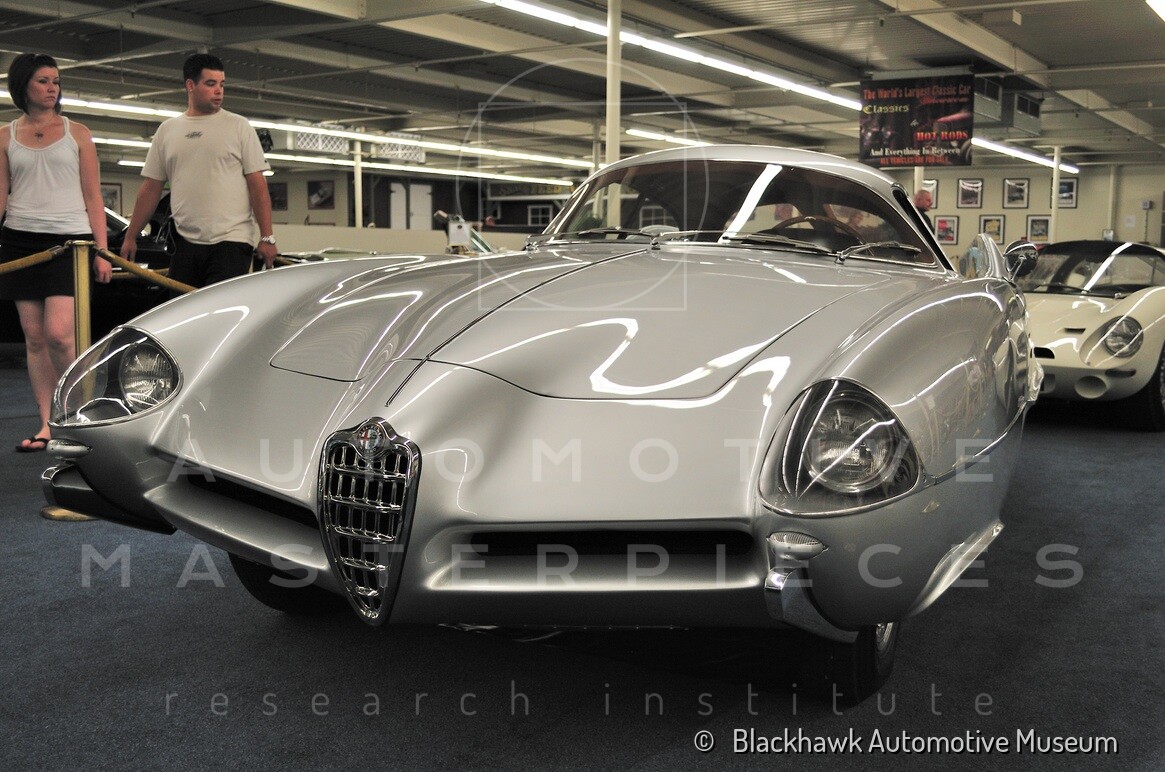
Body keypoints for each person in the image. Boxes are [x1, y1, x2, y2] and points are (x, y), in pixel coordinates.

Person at [0, 53, 112, 453]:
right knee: (34, 339)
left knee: (60, 336)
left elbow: (94, 196)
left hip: (70, 242)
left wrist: (102, 250)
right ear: (23, 85)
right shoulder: (5, 135)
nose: (52, 88)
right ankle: (47, 423)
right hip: (20, 241)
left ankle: (78, 415)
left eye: (56, 81)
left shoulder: (77, 133)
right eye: (44, 81)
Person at [120, 53, 277, 289]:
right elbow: (151, 188)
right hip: (184, 243)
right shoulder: (167, 131)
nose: (219, 91)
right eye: (210, 84)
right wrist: (131, 235)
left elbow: (258, 185)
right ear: (190, 85)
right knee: (184, 309)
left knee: (220, 310)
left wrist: (267, 237)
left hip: (231, 241)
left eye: (222, 84)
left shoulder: (239, 127)